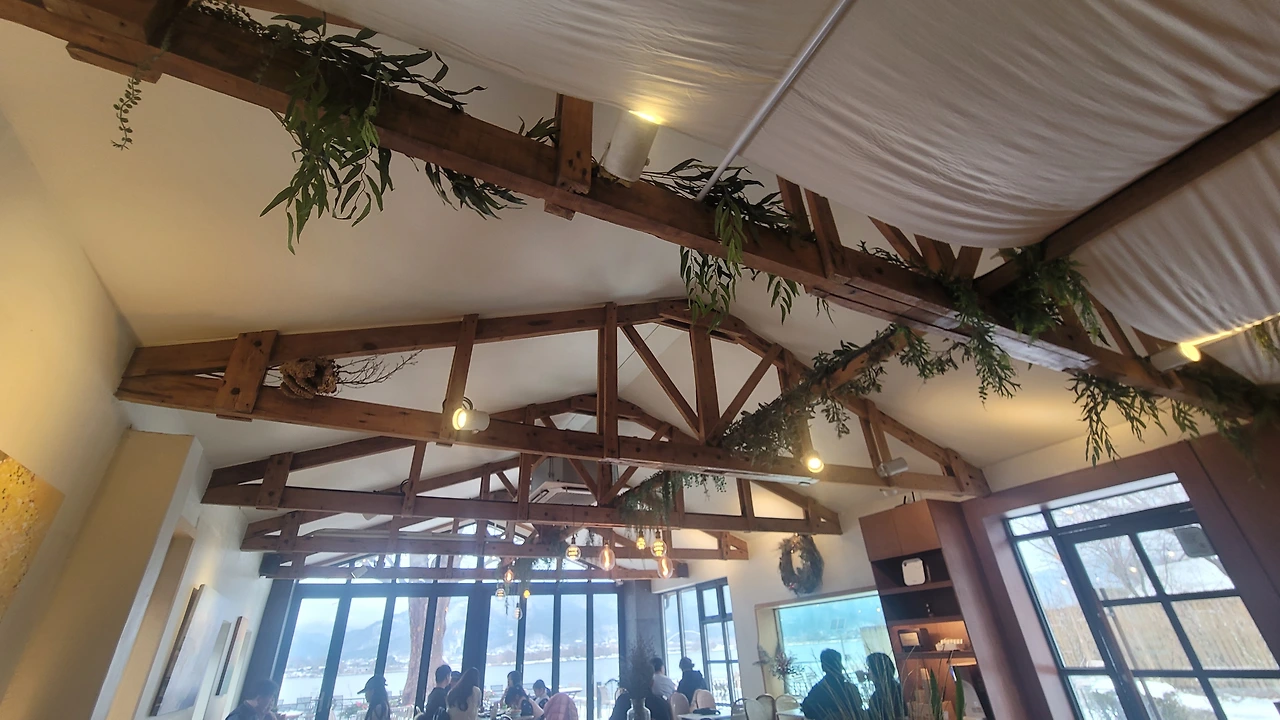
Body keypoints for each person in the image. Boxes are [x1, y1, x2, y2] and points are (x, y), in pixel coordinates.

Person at [801, 649, 867, 720]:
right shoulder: (851, 688)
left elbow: (807, 709)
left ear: (823, 667)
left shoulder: (818, 690)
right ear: (840, 666)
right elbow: (859, 708)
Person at [864, 653, 905, 720]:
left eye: (869, 668)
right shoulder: (896, 687)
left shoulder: (881, 694)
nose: (868, 672)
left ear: (877, 670)